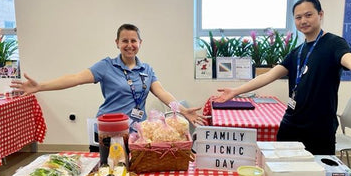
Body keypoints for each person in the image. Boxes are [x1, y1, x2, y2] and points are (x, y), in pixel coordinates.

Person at [214, 0, 351, 155]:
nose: (303, 21)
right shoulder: (297, 51)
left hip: (319, 128)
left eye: (308, 15)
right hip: (290, 125)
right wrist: (235, 92)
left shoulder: (333, 43)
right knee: (283, 173)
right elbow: (268, 76)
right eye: (298, 17)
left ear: (320, 14)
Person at [11, 23, 207, 150]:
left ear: (140, 43)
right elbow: (75, 78)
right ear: (117, 43)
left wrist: (181, 110)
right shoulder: (106, 66)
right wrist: (40, 86)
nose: (129, 45)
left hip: (139, 133)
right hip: (110, 130)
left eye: (133, 40)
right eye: (125, 41)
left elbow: (161, 92)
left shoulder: (147, 70)